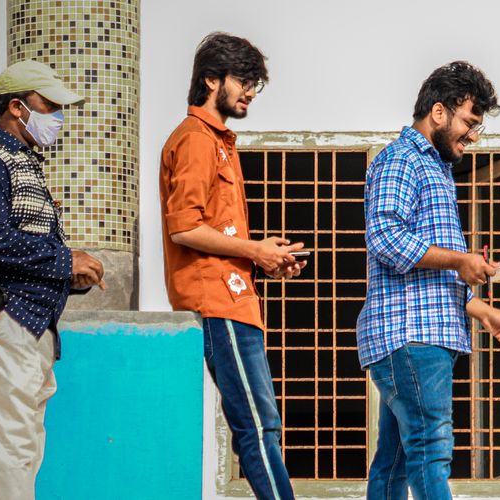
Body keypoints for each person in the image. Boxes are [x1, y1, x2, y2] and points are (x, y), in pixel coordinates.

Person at [358, 60, 500, 500]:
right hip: (413, 337)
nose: (473, 135)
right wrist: (459, 260)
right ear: (438, 112)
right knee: (431, 448)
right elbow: (385, 237)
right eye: (469, 122)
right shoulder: (402, 160)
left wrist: (482, 310)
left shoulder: (435, 168)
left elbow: (427, 283)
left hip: (421, 333)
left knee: (394, 461)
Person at [159, 32, 305, 500]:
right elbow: (184, 228)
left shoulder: (218, 141)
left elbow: (219, 234)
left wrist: (264, 257)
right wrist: (255, 250)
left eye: (254, 83)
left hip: (236, 298)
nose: (250, 92)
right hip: (216, 302)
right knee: (257, 426)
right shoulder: (195, 140)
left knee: (261, 425)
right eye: (243, 80)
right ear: (211, 79)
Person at [0, 59, 103, 500]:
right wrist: (65, 260)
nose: (57, 116)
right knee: (8, 455)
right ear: (17, 107)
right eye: (49, 105)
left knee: (22, 453)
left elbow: (19, 251)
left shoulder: (24, 164)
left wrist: (70, 277)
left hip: (27, 326)